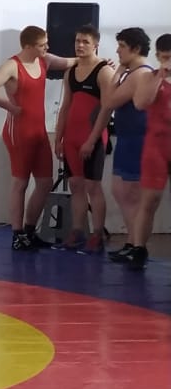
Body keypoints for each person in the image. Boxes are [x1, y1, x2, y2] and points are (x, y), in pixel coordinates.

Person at [0, 26, 88, 250]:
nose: (46, 47)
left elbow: (69, 62)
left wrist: (99, 60)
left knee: (45, 183)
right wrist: (10, 106)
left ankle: (30, 231)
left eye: (46, 43)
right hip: (18, 132)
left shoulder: (44, 60)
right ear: (28, 46)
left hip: (38, 132)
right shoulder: (12, 65)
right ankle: (17, 234)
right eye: (42, 45)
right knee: (20, 183)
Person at [77, 28, 151, 262]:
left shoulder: (140, 74)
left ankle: (138, 247)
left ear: (135, 49)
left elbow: (108, 101)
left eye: (122, 46)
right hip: (128, 138)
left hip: (137, 141)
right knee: (121, 192)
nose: (117, 51)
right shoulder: (134, 73)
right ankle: (132, 243)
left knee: (130, 195)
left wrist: (118, 70)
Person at [54, 24, 114, 253]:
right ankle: (77, 231)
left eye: (85, 42)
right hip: (71, 137)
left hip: (93, 137)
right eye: (77, 41)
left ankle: (97, 234)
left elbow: (106, 110)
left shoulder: (104, 71)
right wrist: (58, 138)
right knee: (76, 185)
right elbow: (65, 107)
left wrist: (92, 140)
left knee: (93, 186)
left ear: (96, 45)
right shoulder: (70, 72)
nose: (80, 45)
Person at [125, 34, 171, 269]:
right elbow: (141, 103)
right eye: (164, 58)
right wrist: (160, 76)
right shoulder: (149, 77)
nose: (168, 62)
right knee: (150, 200)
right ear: (158, 57)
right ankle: (139, 248)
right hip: (157, 146)